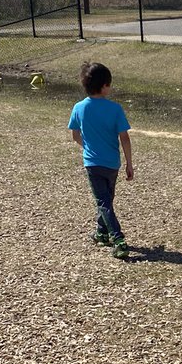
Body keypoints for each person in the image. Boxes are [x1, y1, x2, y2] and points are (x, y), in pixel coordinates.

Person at [68, 61, 133, 259]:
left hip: (92, 163)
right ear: (104, 86)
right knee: (106, 200)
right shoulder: (115, 109)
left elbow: (75, 135)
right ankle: (113, 237)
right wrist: (129, 163)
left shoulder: (79, 108)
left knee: (104, 201)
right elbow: (124, 137)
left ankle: (107, 234)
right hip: (112, 163)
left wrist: (88, 147)